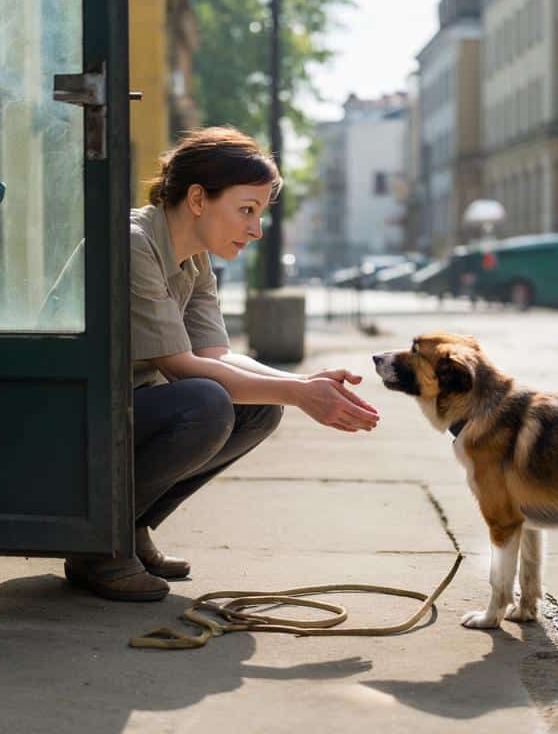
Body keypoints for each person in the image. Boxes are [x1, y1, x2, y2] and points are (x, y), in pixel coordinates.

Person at [64, 127, 382, 602]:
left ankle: (129, 527)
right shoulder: (131, 244)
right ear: (198, 199)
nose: (255, 230)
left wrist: (300, 383)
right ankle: (99, 547)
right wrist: (298, 393)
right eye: (246, 211)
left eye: (259, 215)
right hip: (67, 423)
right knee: (206, 404)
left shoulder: (193, 257)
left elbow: (216, 354)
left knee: (259, 408)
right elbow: (182, 367)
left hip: (118, 409)